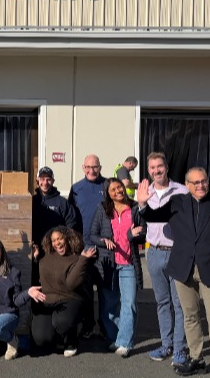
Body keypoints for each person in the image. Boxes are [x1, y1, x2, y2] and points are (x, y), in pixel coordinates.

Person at [136, 168, 210, 378]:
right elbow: (153, 216)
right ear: (187, 184)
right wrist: (142, 204)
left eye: (204, 181)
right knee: (190, 316)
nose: (200, 186)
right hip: (183, 268)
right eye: (195, 182)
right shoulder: (178, 202)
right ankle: (197, 358)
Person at [86, 178, 146, 357]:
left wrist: (135, 235)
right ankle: (116, 337)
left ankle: (125, 342)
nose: (118, 191)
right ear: (108, 193)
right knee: (109, 306)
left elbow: (142, 235)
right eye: (113, 189)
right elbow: (92, 234)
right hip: (109, 264)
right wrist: (103, 241)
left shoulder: (135, 208)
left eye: (119, 187)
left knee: (129, 303)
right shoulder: (102, 209)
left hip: (128, 263)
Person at [141, 152, 190, 366]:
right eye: (152, 168)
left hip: (177, 251)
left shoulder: (182, 191)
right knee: (162, 302)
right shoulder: (145, 192)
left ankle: (179, 349)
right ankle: (166, 344)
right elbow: (143, 219)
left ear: (166, 167)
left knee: (179, 303)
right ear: (148, 170)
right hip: (154, 252)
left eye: (159, 166)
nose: (156, 171)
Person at [28, 226, 97, 357]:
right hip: (48, 300)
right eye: (54, 240)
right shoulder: (45, 257)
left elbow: (72, 284)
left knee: (61, 322)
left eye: (60, 239)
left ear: (67, 238)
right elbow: (37, 280)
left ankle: (71, 338)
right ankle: (59, 338)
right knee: (40, 338)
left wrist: (82, 259)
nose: (57, 243)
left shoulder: (76, 257)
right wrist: (35, 259)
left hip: (70, 298)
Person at [68, 154, 107, 337]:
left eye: (95, 167)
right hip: (84, 247)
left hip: (106, 247)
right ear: (83, 168)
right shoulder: (76, 189)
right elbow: (71, 218)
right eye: (88, 167)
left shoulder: (108, 186)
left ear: (100, 167)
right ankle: (88, 325)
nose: (92, 171)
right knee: (85, 290)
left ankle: (106, 326)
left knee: (106, 289)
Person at [32, 166, 81, 244]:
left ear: (53, 181)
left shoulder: (62, 203)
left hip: (56, 248)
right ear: (37, 181)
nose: (45, 183)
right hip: (37, 248)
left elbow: (72, 224)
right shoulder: (32, 201)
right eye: (42, 179)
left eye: (48, 179)